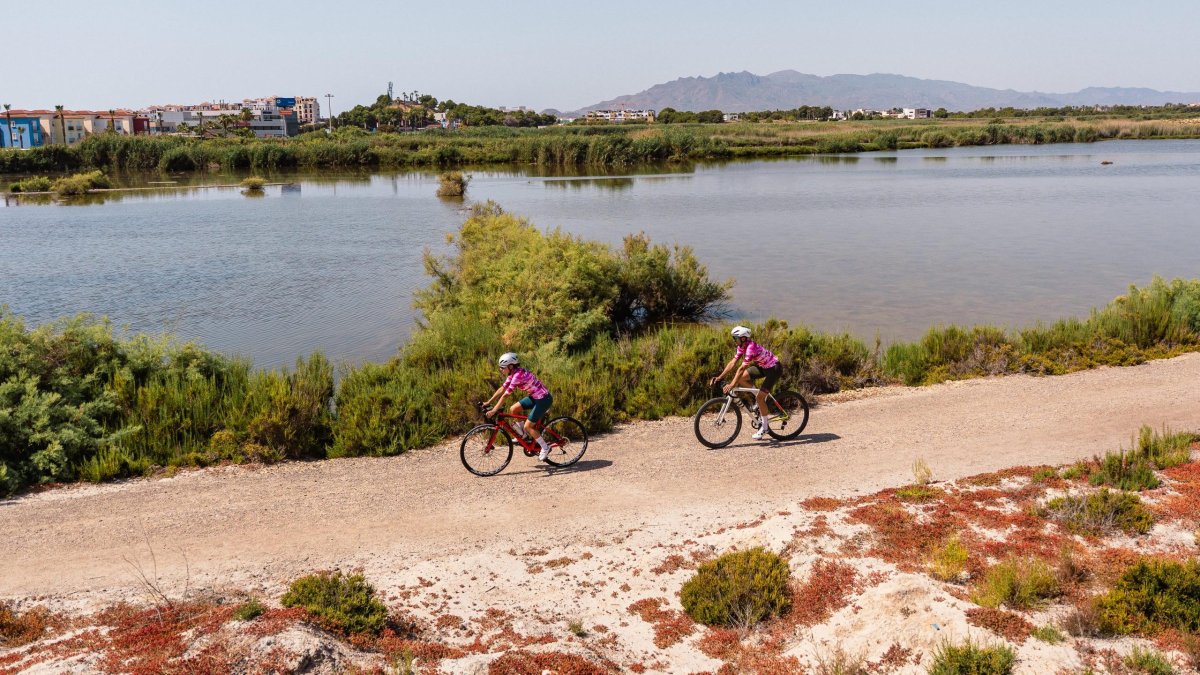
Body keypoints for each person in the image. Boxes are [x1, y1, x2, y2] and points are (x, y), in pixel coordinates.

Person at [709, 325, 782, 440]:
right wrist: (719, 377)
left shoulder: (750, 348)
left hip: (774, 369)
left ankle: (765, 427)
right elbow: (732, 363)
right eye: (734, 338)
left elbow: (741, 368)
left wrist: (732, 384)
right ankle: (759, 399)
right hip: (763, 367)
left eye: (736, 338)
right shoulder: (741, 346)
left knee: (759, 397)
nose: (734, 340)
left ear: (743, 338)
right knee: (742, 378)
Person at [484, 352, 555, 461]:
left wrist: (494, 410)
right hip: (535, 397)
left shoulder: (518, 375)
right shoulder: (512, 374)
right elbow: (502, 389)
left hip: (543, 400)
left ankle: (545, 447)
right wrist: (488, 402)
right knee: (514, 409)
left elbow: (505, 395)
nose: (500, 369)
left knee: (528, 426)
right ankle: (524, 436)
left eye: (502, 367)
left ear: (510, 366)